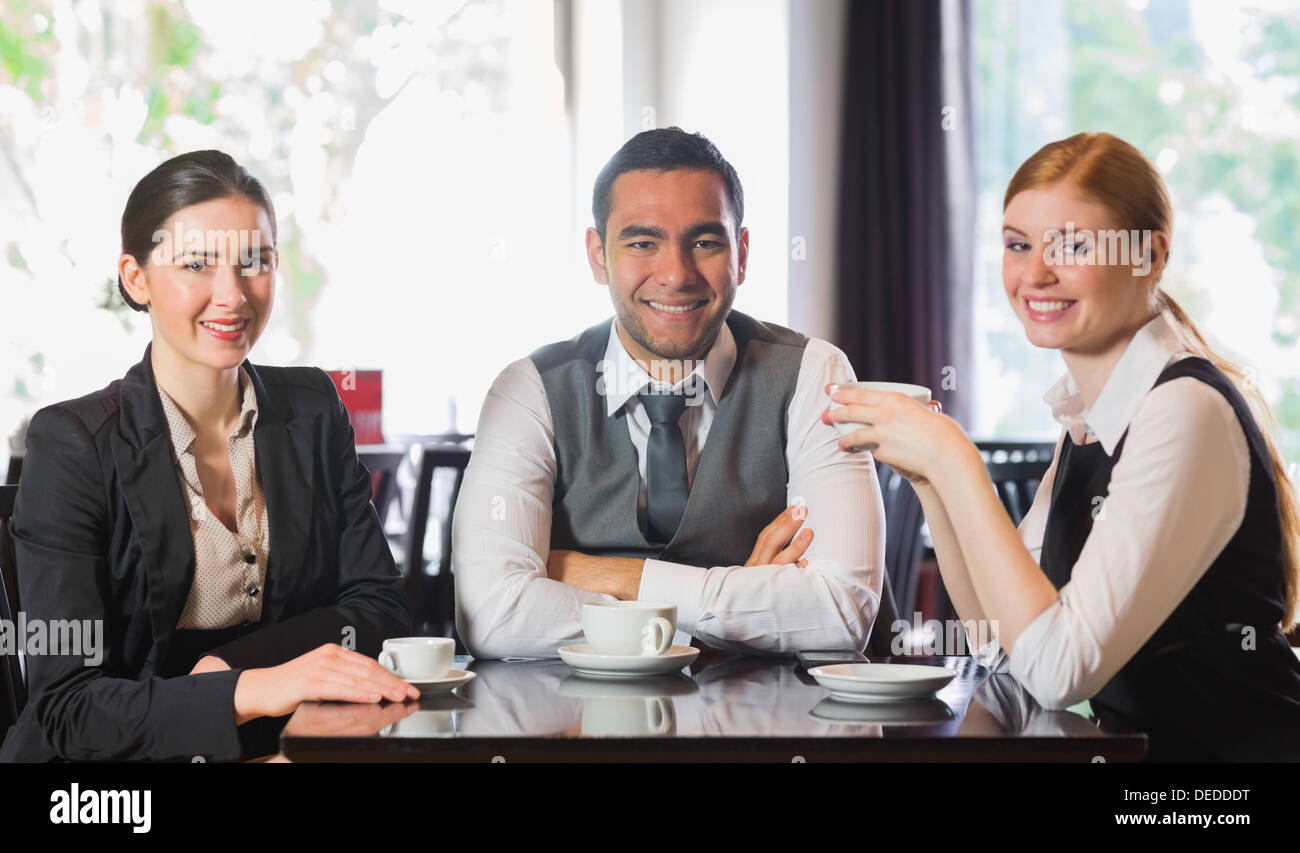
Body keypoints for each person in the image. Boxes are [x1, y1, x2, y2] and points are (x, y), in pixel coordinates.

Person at [826, 132, 1300, 760]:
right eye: (1018, 245)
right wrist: (928, 479)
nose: (1035, 274)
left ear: (1149, 257)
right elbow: (1002, 645)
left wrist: (955, 458)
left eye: (1073, 245)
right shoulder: (1087, 419)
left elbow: (1058, 672)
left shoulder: (1183, 410)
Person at [0, 150, 418, 762]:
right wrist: (254, 687)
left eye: (256, 262)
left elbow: (380, 608)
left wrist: (231, 666)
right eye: (196, 264)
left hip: (274, 746)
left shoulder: (313, 408)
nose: (233, 295)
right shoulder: (73, 442)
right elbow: (67, 707)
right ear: (136, 278)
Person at [453, 128, 886, 659]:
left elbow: (842, 615)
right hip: (571, 729)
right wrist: (739, 612)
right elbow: (494, 619)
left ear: (742, 254)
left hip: (765, 731)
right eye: (642, 243)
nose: (676, 274)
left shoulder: (815, 373)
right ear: (598, 255)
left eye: (705, 242)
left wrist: (599, 575)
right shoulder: (529, 391)